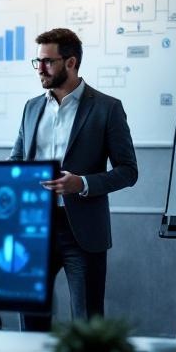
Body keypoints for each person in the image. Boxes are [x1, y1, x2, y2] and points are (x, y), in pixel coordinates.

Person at [9, 28, 138, 325]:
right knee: (30, 318)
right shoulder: (31, 107)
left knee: (87, 321)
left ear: (71, 62)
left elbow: (128, 171)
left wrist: (83, 183)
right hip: (33, 226)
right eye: (37, 61)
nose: (40, 69)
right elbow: (17, 160)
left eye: (48, 62)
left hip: (82, 231)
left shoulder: (107, 108)